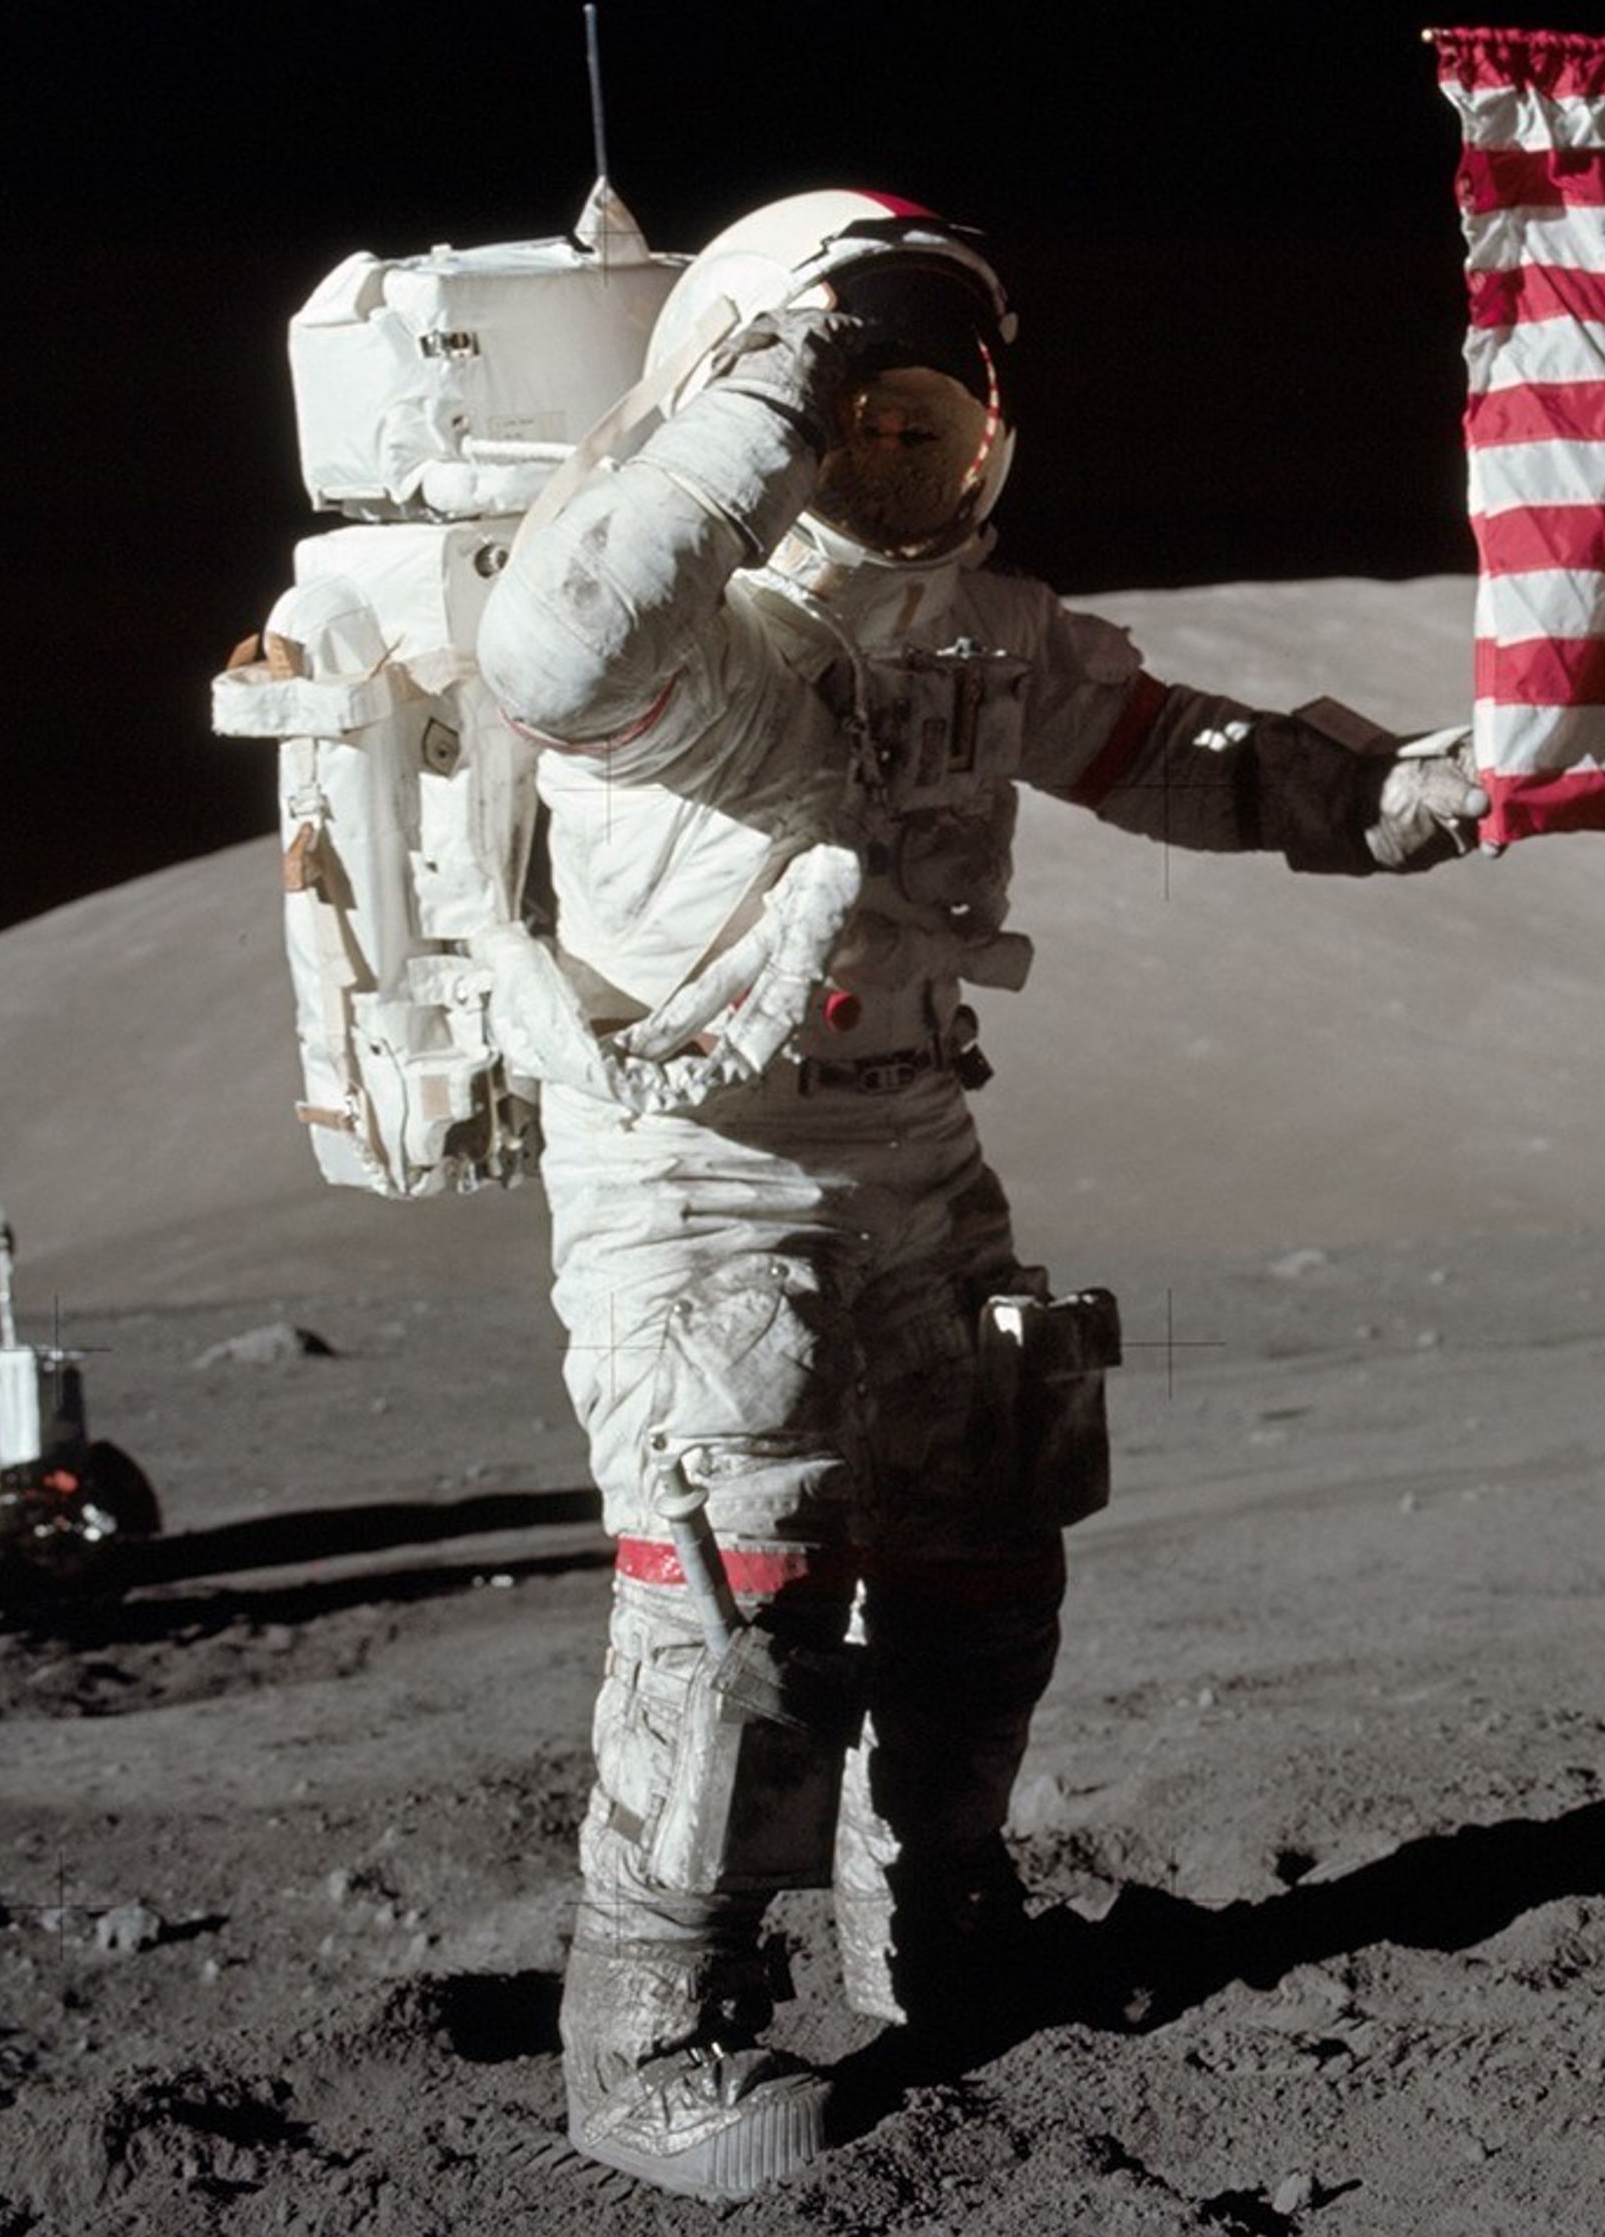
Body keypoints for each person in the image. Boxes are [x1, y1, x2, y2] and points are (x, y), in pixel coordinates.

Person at [474, 191, 1485, 2200]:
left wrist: (1384, 795)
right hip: (701, 1174)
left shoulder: (987, 632)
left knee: (981, 1556)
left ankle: (934, 1926)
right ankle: (654, 2024)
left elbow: (1180, 750)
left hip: (919, 1155)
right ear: (748, 403)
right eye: (854, 412)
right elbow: (555, 648)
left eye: (928, 419)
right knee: (746, 1595)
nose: (892, 458)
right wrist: (776, 381)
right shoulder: (675, 632)